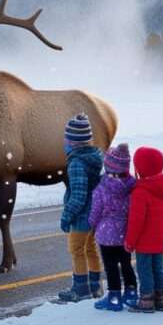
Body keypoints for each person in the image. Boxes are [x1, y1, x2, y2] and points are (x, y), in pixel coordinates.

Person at [58, 113, 105, 302]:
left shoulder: (76, 164)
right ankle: (95, 285)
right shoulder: (93, 158)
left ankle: (81, 288)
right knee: (91, 248)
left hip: (81, 216)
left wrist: (67, 216)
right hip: (94, 213)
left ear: (74, 142)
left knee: (76, 250)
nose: (64, 141)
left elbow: (78, 195)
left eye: (66, 138)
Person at [89, 143, 138, 311]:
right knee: (126, 264)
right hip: (125, 233)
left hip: (106, 236)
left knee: (111, 267)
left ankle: (114, 297)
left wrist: (92, 224)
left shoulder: (101, 189)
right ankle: (131, 292)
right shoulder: (133, 186)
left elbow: (95, 212)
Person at [124, 147, 163, 313]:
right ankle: (161, 300)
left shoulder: (140, 192)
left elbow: (136, 221)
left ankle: (146, 301)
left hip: (144, 242)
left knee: (145, 271)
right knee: (158, 270)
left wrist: (130, 242)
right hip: (159, 240)